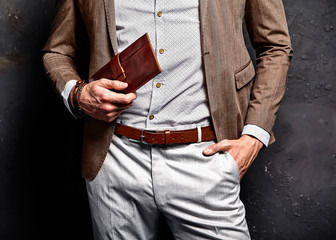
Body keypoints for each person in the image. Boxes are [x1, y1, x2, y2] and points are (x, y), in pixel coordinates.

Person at [43, 0, 293, 239]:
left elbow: (275, 46)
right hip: (114, 156)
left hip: (206, 158)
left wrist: (253, 136)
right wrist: (78, 94)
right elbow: (57, 51)